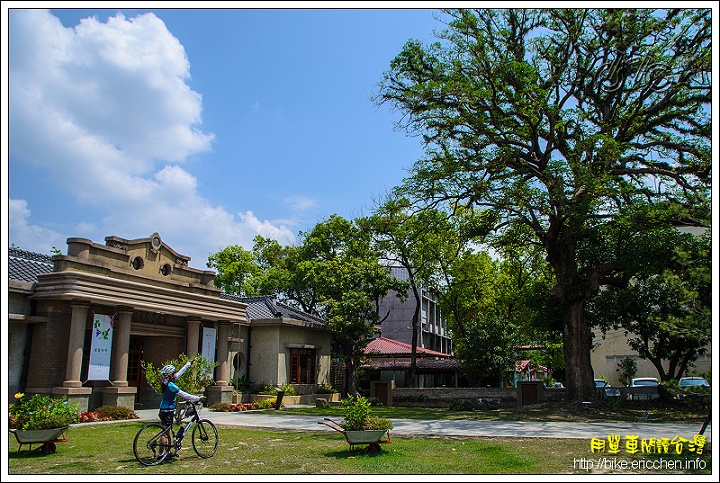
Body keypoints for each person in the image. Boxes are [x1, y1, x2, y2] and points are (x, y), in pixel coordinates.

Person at [157, 357, 201, 458]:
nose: (175, 374)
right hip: (168, 411)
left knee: (167, 432)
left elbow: (179, 374)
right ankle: (160, 455)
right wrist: (197, 398)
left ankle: (167, 453)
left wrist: (188, 364)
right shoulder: (172, 386)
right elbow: (184, 394)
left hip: (163, 409)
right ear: (170, 375)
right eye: (174, 373)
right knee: (165, 433)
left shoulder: (165, 381)